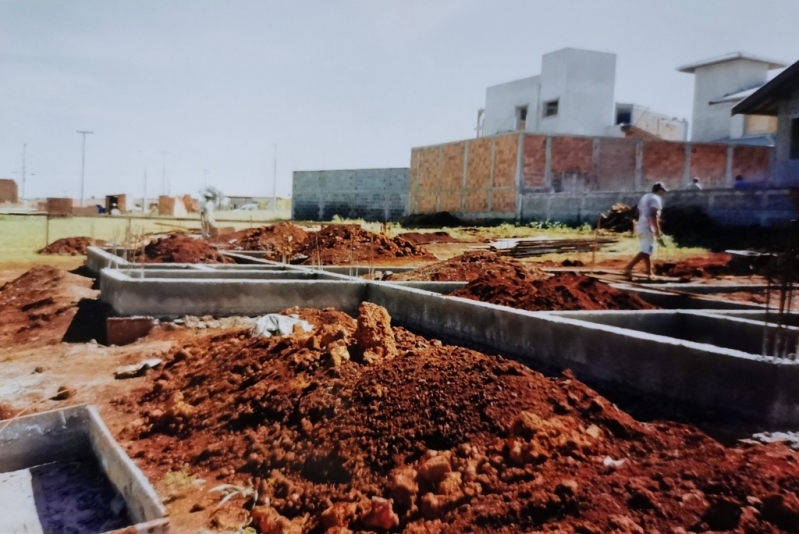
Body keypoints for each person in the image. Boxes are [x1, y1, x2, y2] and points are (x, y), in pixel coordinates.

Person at [624, 182, 667, 280]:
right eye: (662, 191)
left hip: (641, 225)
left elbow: (639, 212)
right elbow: (653, 215)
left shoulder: (645, 197)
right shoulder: (656, 199)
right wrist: (657, 230)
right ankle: (628, 268)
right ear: (659, 190)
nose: (663, 193)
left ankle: (649, 272)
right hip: (648, 228)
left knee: (647, 250)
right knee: (645, 251)